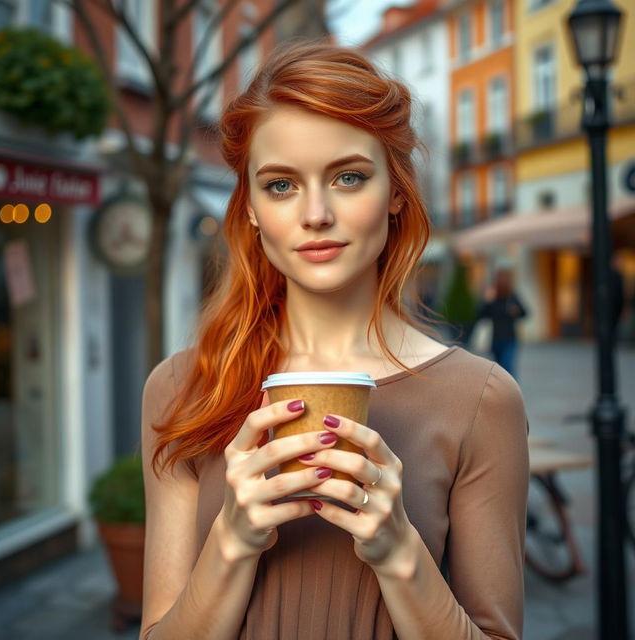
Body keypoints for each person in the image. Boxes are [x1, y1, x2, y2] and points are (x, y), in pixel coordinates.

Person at [139, 40, 529, 640]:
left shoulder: (481, 399)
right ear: (248, 208)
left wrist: (400, 551)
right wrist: (232, 543)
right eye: (280, 185)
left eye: (349, 177)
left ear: (397, 191)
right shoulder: (179, 388)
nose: (316, 213)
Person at [476, 268, 528, 380]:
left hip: (510, 338)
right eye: (500, 279)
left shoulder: (512, 296)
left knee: (507, 366)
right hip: (495, 339)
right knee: (498, 369)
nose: (502, 282)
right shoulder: (493, 297)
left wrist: (517, 311)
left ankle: (511, 394)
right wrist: (487, 301)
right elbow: (481, 315)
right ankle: (501, 394)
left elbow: (525, 313)